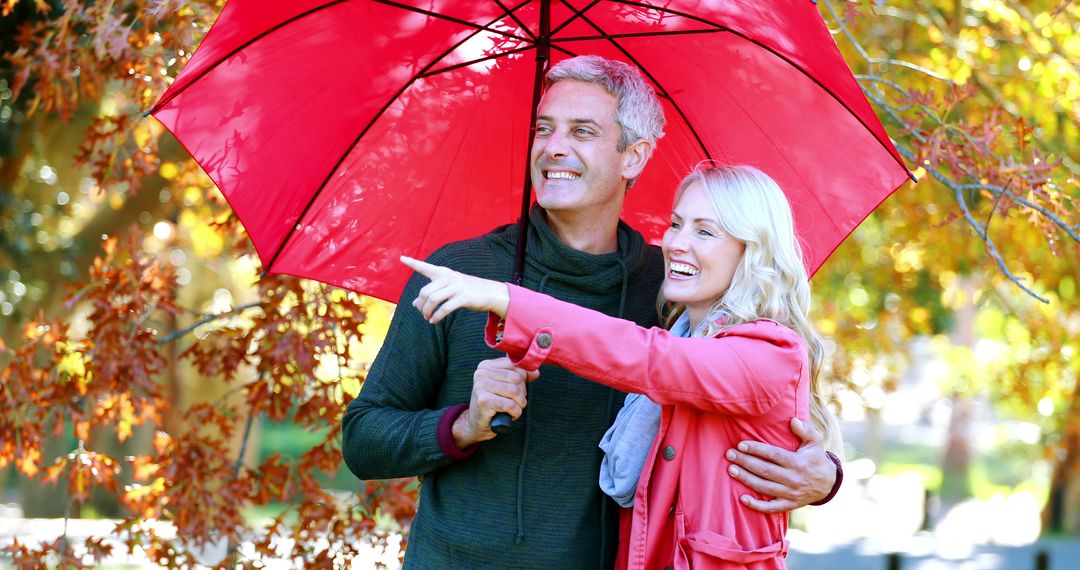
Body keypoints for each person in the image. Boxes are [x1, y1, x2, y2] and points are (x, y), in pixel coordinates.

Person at [341, 56, 841, 568]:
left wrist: (825, 473)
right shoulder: (463, 273)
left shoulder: (671, 290)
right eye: (544, 128)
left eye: (582, 131)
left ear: (634, 156)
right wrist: (463, 425)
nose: (554, 146)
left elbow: (763, 399)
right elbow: (363, 439)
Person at [402, 164, 838, 569]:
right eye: (676, 223)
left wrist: (508, 302)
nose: (676, 243)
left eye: (705, 231)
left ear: (752, 251)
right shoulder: (681, 328)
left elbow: (644, 356)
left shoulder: (769, 353)